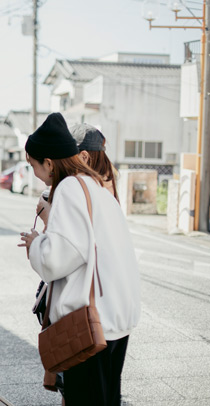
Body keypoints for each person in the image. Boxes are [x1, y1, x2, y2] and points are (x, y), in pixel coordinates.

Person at [18, 113, 141, 405]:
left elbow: (58, 258)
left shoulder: (70, 188)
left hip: (90, 322)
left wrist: (36, 244)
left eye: (33, 165)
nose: (33, 172)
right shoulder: (96, 186)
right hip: (115, 318)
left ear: (49, 163)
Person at [69, 123, 119, 200]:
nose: (65, 163)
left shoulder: (81, 189)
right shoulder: (107, 184)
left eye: (69, 157)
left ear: (84, 157)